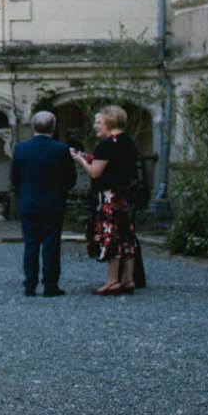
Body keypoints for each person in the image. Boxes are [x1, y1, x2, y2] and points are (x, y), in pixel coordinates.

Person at [72, 105, 143, 296]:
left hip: (109, 196)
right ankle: (128, 279)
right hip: (126, 196)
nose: (95, 125)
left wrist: (81, 161)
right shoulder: (128, 142)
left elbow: (95, 173)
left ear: (109, 122)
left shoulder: (106, 145)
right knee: (127, 236)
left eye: (98, 121)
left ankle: (112, 281)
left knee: (110, 235)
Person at [10, 111, 77, 297]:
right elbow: (71, 179)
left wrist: (22, 194)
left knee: (30, 244)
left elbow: (14, 178)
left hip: (28, 202)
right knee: (51, 244)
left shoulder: (21, 149)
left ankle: (29, 285)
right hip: (53, 203)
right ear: (53, 128)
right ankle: (50, 285)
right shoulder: (61, 150)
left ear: (33, 127)